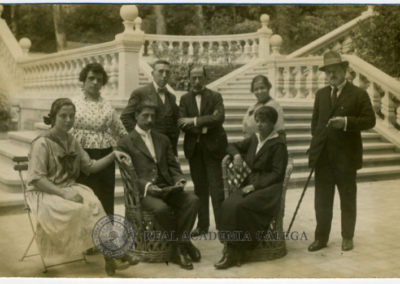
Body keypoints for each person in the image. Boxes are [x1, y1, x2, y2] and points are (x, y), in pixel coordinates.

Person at [26, 98, 138, 276]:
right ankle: (113, 255)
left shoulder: (71, 140)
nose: (68, 120)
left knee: (94, 203)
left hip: (67, 188)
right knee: (79, 208)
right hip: (45, 192)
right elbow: (37, 179)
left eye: (72, 116)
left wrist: (113, 155)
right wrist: (64, 194)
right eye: (63, 116)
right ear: (53, 117)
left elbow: (90, 166)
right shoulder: (42, 142)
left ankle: (111, 258)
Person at [117, 100, 200, 270]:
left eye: (152, 116)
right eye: (145, 116)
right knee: (161, 209)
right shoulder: (125, 142)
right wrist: (147, 186)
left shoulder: (162, 139)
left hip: (167, 187)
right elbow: (130, 176)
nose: (149, 120)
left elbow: (173, 165)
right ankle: (180, 246)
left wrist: (179, 180)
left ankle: (181, 242)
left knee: (192, 200)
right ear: (136, 116)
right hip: (145, 192)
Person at [307, 51, 376, 252]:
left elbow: (370, 120)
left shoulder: (358, 94)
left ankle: (347, 237)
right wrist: (318, 148)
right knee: (322, 202)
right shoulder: (321, 95)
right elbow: (315, 125)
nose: (331, 75)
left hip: (346, 158)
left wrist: (345, 123)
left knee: (347, 200)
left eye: (335, 70)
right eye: (328, 72)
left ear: (345, 70)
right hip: (324, 159)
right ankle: (321, 238)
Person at [215, 106, 288, 269]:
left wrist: (255, 186)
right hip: (250, 184)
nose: (260, 125)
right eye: (258, 121)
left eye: (264, 122)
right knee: (228, 204)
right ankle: (231, 247)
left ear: (273, 124)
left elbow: (277, 174)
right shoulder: (255, 139)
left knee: (241, 206)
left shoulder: (278, 144)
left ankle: (236, 251)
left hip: (269, 188)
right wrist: (237, 155)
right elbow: (231, 145)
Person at [72, 63, 127, 216]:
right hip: (81, 154)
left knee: (104, 196)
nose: (95, 82)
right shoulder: (74, 103)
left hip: (105, 155)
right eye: (91, 78)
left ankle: (105, 236)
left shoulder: (107, 105)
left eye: (99, 79)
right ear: (84, 80)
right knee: (85, 198)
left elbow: (121, 130)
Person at [178, 66, 227, 236]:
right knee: (200, 189)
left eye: (200, 77)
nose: (197, 81)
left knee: (216, 188)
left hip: (213, 149)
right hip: (194, 150)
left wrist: (194, 121)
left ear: (205, 78)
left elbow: (219, 118)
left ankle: (222, 227)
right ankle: (203, 226)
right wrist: (205, 126)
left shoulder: (215, 96)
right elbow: (182, 124)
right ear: (189, 79)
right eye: (194, 78)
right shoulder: (184, 99)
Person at [120, 59, 180, 155]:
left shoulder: (171, 97)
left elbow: (175, 122)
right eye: (161, 71)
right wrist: (140, 137)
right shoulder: (140, 93)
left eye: (167, 72)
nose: (164, 75)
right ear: (152, 73)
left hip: (168, 148)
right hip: (148, 146)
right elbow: (125, 117)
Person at [242, 75, 285, 140]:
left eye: (262, 88)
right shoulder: (252, 107)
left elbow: (279, 131)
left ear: (268, 88)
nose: (259, 91)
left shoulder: (274, 106)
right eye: (256, 89)